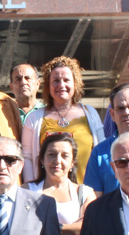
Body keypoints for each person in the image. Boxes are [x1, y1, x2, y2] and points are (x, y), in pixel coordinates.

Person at [22, 56, 104, 184]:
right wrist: (32, 189)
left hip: (86, 190)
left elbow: (101, 152)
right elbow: (27, 157)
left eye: (66, 80)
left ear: (75, 84)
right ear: (48, 86)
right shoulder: (33, 118)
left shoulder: (91, 113)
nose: (61, 85)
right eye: (56, 80)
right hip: (46, 192)